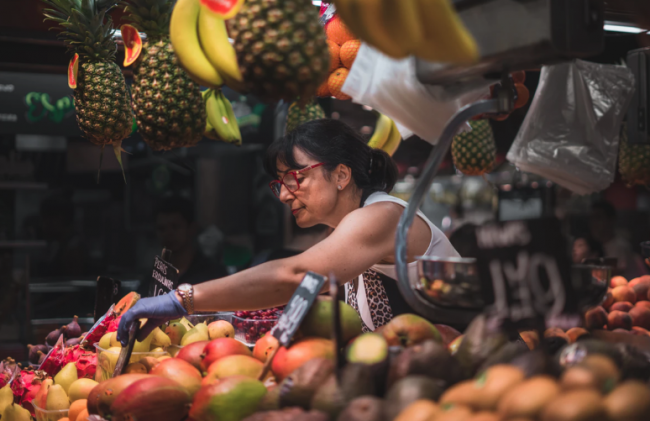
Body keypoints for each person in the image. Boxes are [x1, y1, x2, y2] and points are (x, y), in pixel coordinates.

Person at [118, 119, 459, 343]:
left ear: (342, 175)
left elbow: (293, 276)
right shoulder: (346, 230)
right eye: (279, 183)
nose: (283, 194)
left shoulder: (383, 215)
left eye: (296, 178)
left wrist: (183, 299)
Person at [152, 197, 228, 285]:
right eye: (161, 229)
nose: (168, 234)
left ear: (191, 228)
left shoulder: (214, 274)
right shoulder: (155, 277)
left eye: (175, 227)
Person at [589, 200, 646, 279]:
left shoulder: (620, 245)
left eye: (598, 217)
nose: (593, 222)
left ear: (611, 220)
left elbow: (614, 271)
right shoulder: (600, 246)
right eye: (592, 218)